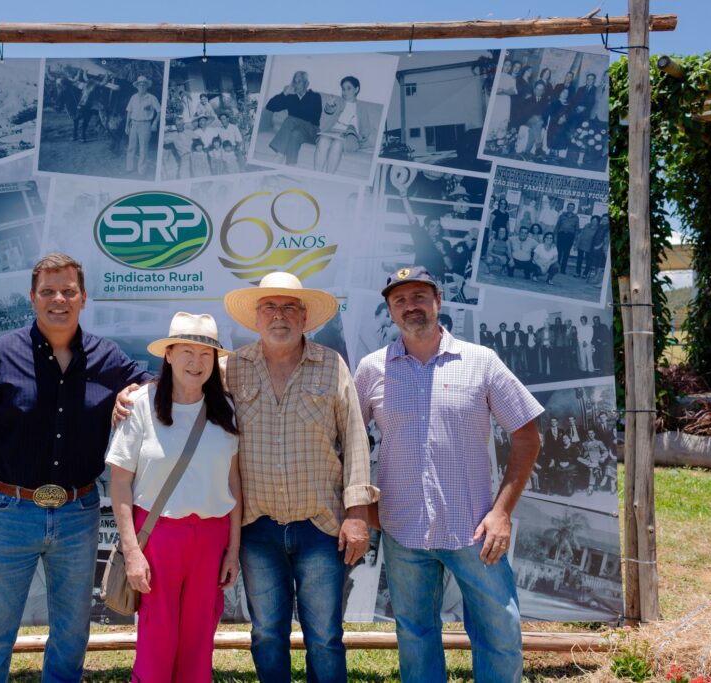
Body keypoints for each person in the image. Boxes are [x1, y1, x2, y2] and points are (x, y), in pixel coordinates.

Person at [0, 252, 151, 683]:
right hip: (8, 513)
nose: (59, 300)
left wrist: (133, 392)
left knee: (72, 632)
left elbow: (155, 386)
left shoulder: (107, 358)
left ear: (83, 298)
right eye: (48, 291)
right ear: (32, 298)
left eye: (68, 291)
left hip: (78, 512)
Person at [354, 265, 543, 683]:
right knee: (415, 635)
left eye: (419, 296)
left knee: (499, 632)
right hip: (402, 529)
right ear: (390, 311)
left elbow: (527, 436)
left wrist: (502, 513)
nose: (411, 306)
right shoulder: (371, 369)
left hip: (475, 530)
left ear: (438, 301)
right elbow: (347, 441)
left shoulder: (480, 361)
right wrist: (362, 507)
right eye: (400, 300)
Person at [221, 271, 376, 682]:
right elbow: (182, 381)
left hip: (320, 525)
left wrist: (357, 515)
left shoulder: (331, 365)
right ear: (256, 318)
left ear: (305, 317)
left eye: (290, 307)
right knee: (266, 633)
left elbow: (355, 439)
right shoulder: (230, 368)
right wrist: (136, 393)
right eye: (270, 307)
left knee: (325, 635)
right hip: (257, 527)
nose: (280, 315)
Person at [106, 312, 242, 683]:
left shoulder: (226, 410)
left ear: (215, 361)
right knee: (157, 639)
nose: (196, 362)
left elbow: (233, 483)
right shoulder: (140, 404)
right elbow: (119, 484)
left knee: (199, 640)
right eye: (187, 352)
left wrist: (233, 550)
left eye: (205, 354)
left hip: (211, 539)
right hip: (158, 537)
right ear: (168, 355)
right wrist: (132, 552)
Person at [314, 76, 374, 174]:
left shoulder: (362, 107)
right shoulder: (338, 102)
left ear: (356, 89)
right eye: (343, 89)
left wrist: (362, 136)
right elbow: (329, 111)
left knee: (338, 143)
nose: (345, 92)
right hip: (332, 132)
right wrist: (330, 105)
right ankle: (316, 175)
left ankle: (328, 176)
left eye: (349, 88)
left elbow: (365, 130)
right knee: (323, 140)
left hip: (350, 137)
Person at [265, 70, 322, 166]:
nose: (296, 85)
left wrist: (296, 114)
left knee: (290, 120)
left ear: (306, 84)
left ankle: (280, 155)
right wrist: (284, 94)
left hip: (312, 131)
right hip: (298, 131)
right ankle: (291, 165)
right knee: (295, 134)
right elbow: (270, 106)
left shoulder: (315, 96)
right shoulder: (291, 97)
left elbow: (314, 117)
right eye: (294, 82)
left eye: (299, 81)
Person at [125, 75, 160, 176]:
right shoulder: (133, 97)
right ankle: (129, 167)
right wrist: (126, 126)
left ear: (147, 86)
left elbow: (159, 111)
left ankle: (142, 170)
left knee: (143, 148)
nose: (142, 86)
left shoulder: (152, 98)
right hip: (133, 124)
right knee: (131, 147)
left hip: (145, 125)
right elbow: (129, 112)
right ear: (137, 86)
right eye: (140, 85)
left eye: (144, 85)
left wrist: (155, 123)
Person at [555, 201, 581, 275]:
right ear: (567, 208)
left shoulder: (576, 218)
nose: (570, 208)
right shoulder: (562, 216)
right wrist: (555, 236)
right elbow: (557, 226)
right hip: (561, 235)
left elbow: (577, 229)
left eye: (572, 207)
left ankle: (563, 269)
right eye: (569, 207)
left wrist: (575, 239)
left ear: (574, 209)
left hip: (570, 236)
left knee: (566, 253)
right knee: (559, 252)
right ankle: (556, 268)